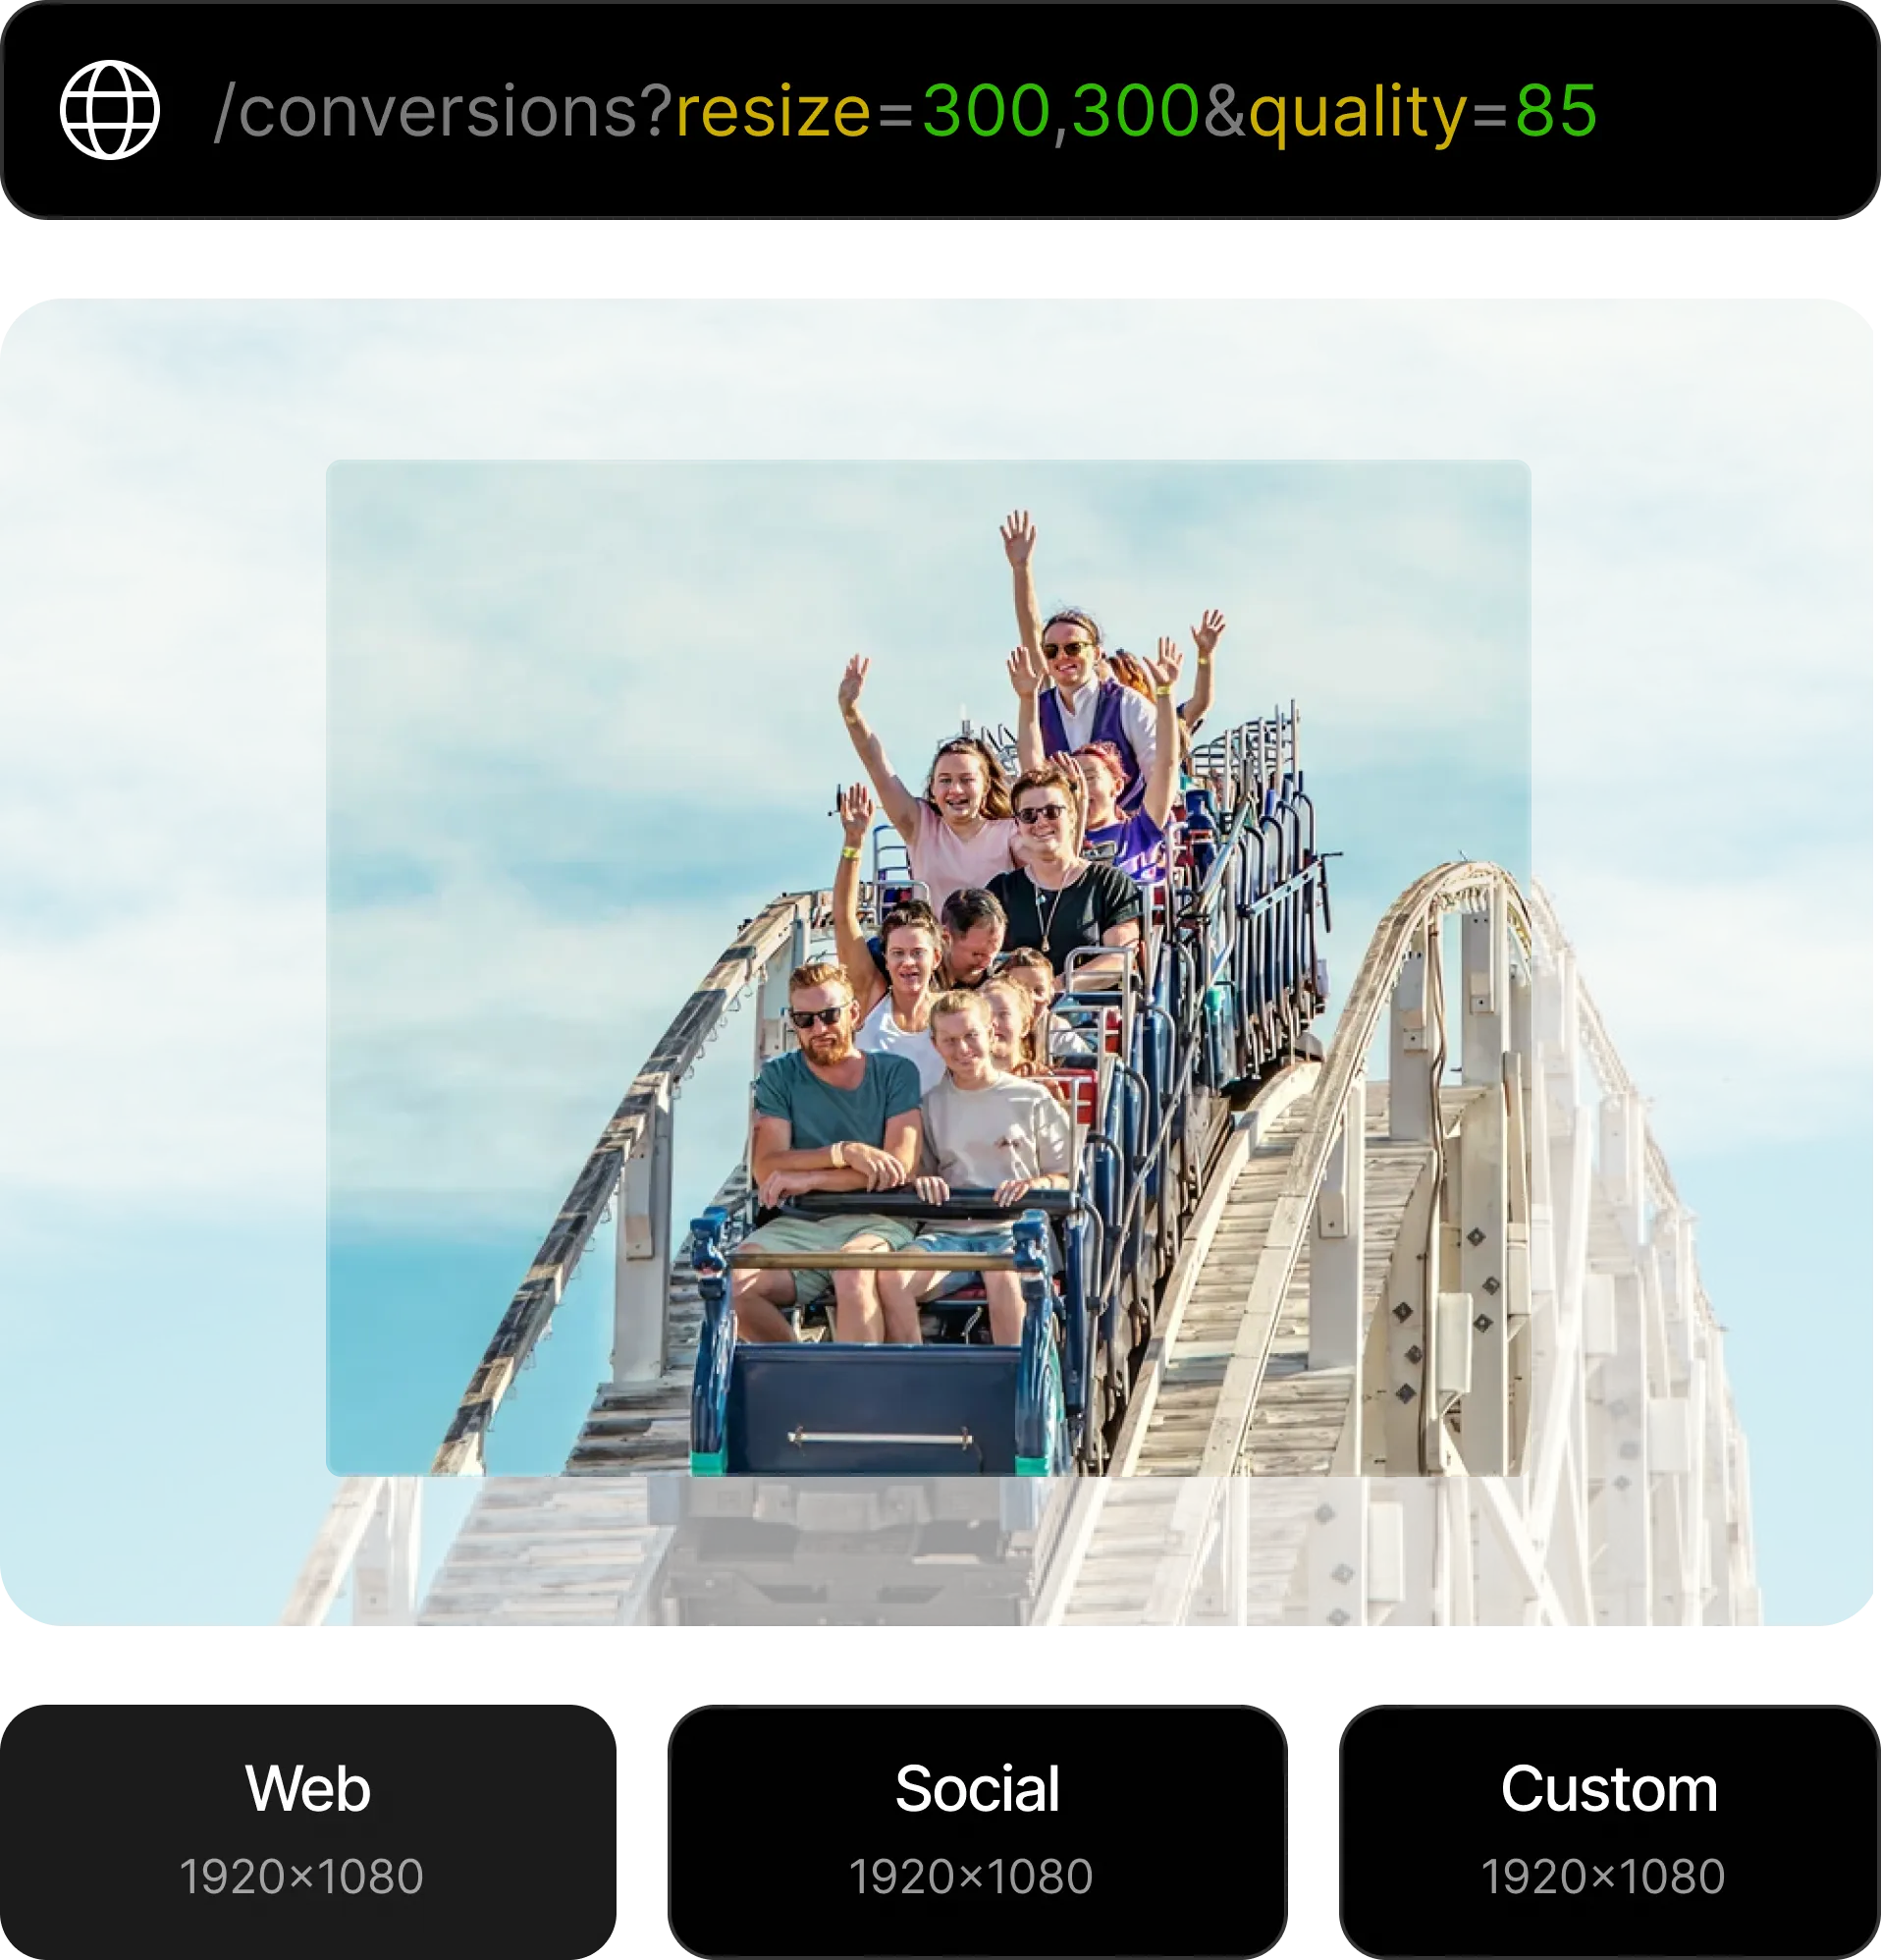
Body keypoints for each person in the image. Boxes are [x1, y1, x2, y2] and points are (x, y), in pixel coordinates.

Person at [731, 959, 922, 1344]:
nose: (819, 1029)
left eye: (829, 1015)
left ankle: (861, 1397)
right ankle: (800, 1376)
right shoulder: (780, 1076)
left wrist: (810, 1178)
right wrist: (844, 1152)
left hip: (878, 1218)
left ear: (853, 1013)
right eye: (805, 1020)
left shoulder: (895, 1072)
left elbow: (897, 1167)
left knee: (851, 1271)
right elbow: (767, 1166)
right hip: (802, 1225)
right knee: (735, 1283)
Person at [877, 990, 1073, 1346]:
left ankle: (1014, 1383)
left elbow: (1067, 1176)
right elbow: (917, 1172)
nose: (962, 1049)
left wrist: (1035, 1185)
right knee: (892, 1278)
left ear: (990, 1033)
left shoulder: (1031, 1098)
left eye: (970, 1036)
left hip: (1012, 1229)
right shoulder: (930, 1106)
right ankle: (915, 1380)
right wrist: (924, 1182)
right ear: (935, 1045)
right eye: (950, 1041)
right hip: (949, 1232)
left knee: (1004, 1278)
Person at [1001, 510, 1157, 812]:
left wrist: (1138, 830)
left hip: (1125, 834)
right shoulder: (1039, 707)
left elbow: (1158, 774)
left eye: (1073, 648)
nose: (1062, 657)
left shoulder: (1128, 705)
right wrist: (1020, 568)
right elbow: (1031, 632)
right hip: (1064, 837)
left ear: (1096, 653)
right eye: (1053, 651)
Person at [836, 656, 1018, 904]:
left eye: (966, 780)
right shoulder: (921, 826)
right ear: (932, 788)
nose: (955, 789)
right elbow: (876, 764)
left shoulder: (1010, 831)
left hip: (997, 943)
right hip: (934, 942)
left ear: (985, 786)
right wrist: (851, 712)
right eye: (945, 780)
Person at [832, 785, 947, 1094]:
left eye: (917, 953)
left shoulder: (950, 1011)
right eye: (898, 953)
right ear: (886, 958)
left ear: (935, 958)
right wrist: (853, 843)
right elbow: (844, 918)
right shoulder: (872, 999)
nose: (907, 962)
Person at [986, 766, 1142, 982]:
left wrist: (1054, 989)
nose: (1041, 822)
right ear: (1017, 825)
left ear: (1072, 817)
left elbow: (1119, 960)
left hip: (1088, 1010)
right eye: (1028, 815)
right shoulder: (1001, 890)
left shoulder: (1110, 884)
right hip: (1017, 1010)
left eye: (1052, 812)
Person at [1065, 637, 1186, 886]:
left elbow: (1166, 765)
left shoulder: (1138, 830)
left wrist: (1164, 693)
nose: (1082, 789)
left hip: (1138, 919)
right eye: (1073, 782)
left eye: (1089, 777)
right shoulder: (1062, 842)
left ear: (1117, 786)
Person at [938, 886, 1006, 990]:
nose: (988, 963)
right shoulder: (921, 984)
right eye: (977, 954)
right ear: (946, 938)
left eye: (995, 952)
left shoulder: (1002, 985)